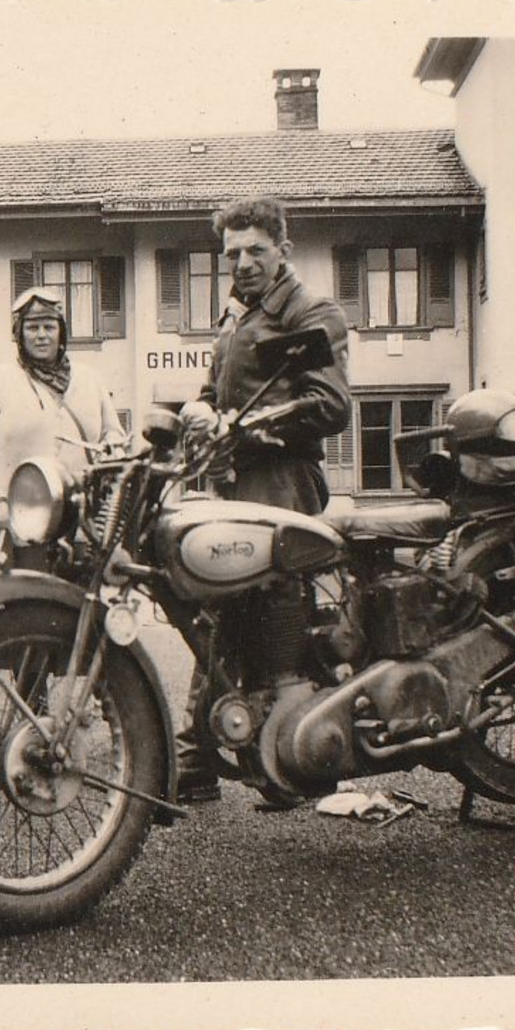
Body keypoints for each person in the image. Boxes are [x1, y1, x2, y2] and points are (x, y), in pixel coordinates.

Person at [175, 196, 352, 804]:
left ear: (283, 250)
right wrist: (199, 410)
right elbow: (218, 389)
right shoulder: (238, 317)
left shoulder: (309, 310)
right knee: (221, 609)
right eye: (232, 254)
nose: (243, 263)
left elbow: (331, 407)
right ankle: (213, 755)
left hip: (282, 481)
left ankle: (275, 756)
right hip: (234, 483)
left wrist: (244, 428)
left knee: (273, 613)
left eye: (255, 250)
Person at [0, 286, 127, 527]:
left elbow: (113, 435)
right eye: (32, 328)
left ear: (61, 333)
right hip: (16, 522)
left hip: (80, 526)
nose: (41, 335)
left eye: (49, 327)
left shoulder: (90, 380)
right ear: (19, 334)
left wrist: (113, 451)